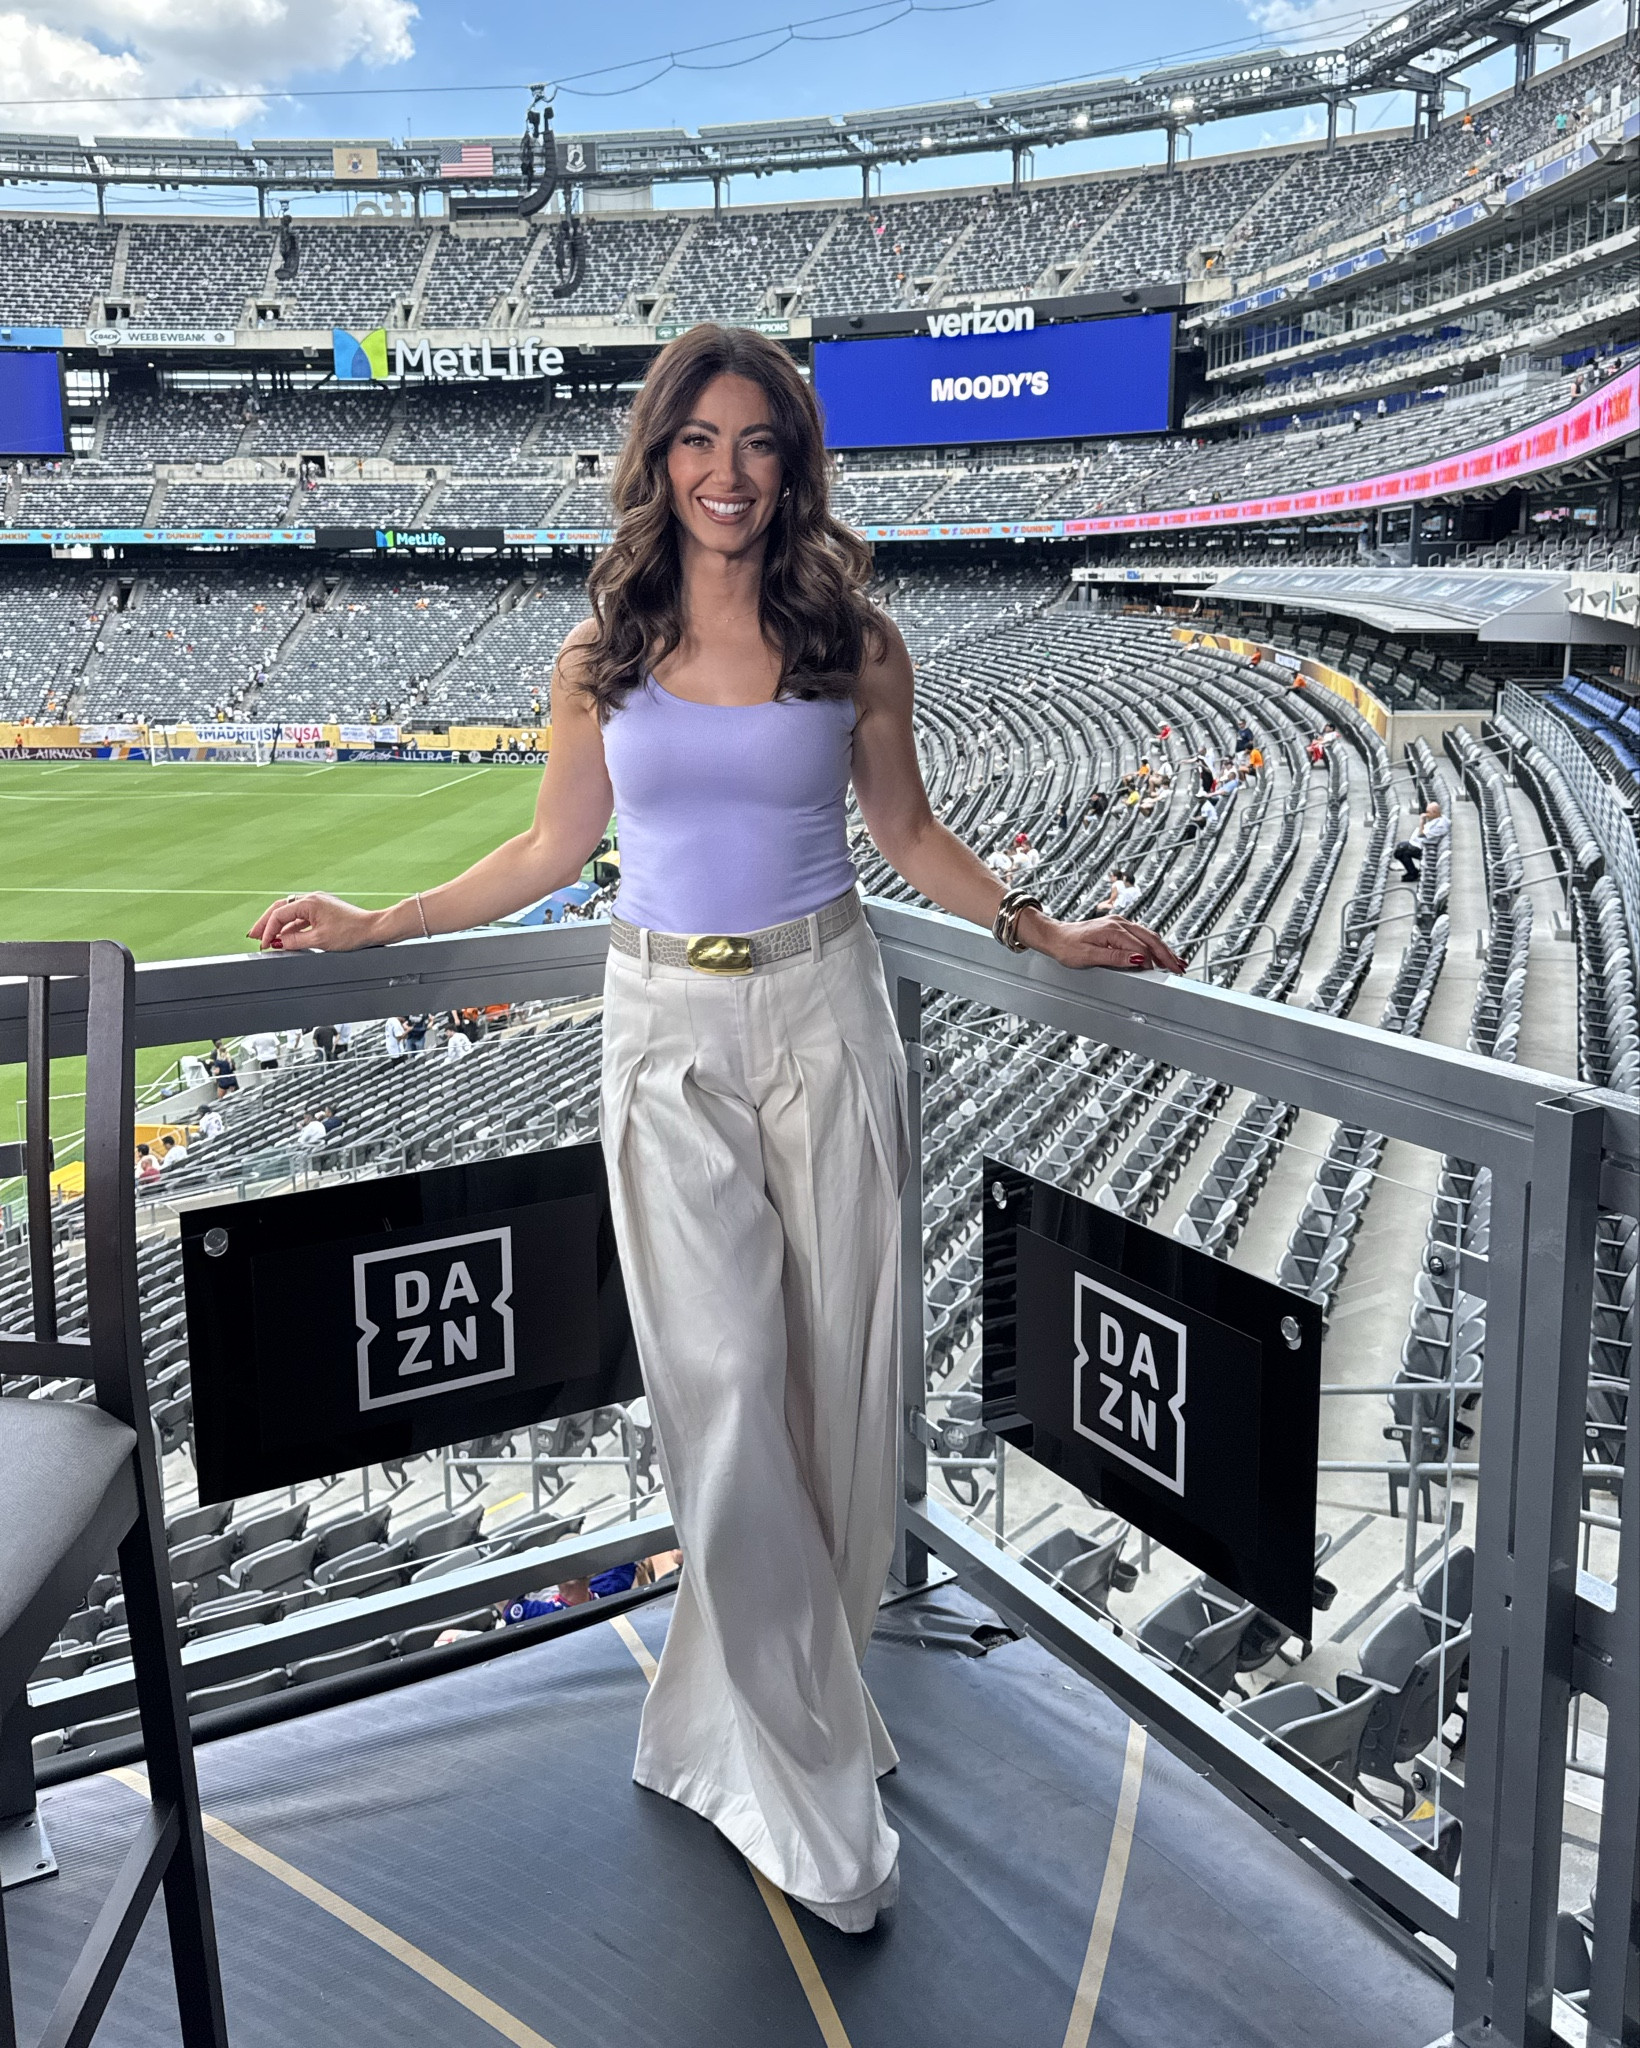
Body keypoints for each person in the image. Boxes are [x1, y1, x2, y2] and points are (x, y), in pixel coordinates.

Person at [248, 324, 1181, 1936]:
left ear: (793, 461)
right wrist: (375, 921)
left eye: (758, 442)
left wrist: (1041, 928)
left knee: (834, 1394)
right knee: (728, 1393)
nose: (728, 473)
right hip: (664, 1027)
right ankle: (806, 1767)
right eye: (699, 440)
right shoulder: (600, 648)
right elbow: (551, 847)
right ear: (658, 455)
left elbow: (908, 834)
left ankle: (750, 1713)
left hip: (830, 1011)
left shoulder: (855, 639)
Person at [1394, 800, 1449, 881]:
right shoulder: (1438, 818)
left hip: (1427, 847)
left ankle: (1412, 873)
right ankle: (1412, 871)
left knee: (1400, 850)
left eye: (1428, 812)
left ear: (1435, 812)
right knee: (1400, 849)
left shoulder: (1440, 825)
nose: (1426, 814)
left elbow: (1421, 834)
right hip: (1421, 843)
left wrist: (1422, 820)